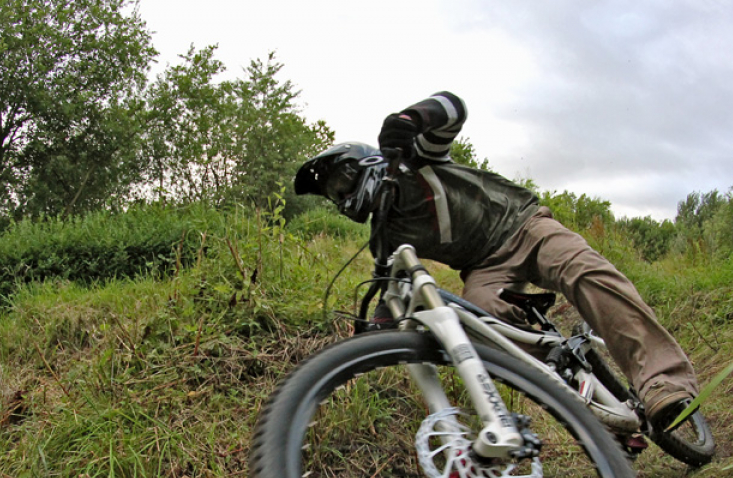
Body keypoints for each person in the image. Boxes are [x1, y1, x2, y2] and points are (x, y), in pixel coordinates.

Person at [293, 90, 699, 432]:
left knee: (586, 273)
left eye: (340, 181)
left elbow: (452, 108)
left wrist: (409, 120)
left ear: (364, 164)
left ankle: (664, 383)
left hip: (524, 226)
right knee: (484, 327)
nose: (340, 196)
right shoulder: (385, 235)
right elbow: (390, 288)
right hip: (485, 269)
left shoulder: (415, 161)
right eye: (331, 194)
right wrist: (371, 338)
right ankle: (584, 404)